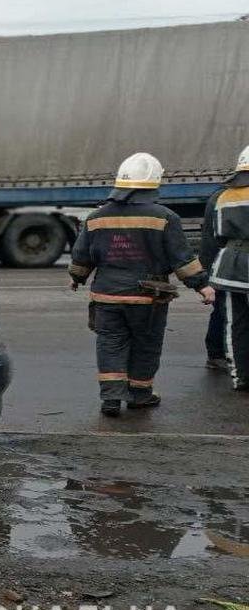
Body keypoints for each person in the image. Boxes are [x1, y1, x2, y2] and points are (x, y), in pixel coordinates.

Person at [68, 152, 215, 417]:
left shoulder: (96, 217)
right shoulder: (165, 217)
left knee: (110, 344)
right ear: (153, 183)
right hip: (147, 298)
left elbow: (81, 257)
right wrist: (202, 286)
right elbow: (182, 258)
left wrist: (77, 278)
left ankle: (111, 398)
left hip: (107, 297)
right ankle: (139, 395)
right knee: (146, 345)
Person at [199, 145, 249, 390]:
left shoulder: (221, 196)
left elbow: (213, 238)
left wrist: (207, 276)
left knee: (235, 323)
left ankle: (240, 377)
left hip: (229, 267)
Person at [199, 186, 229, 372]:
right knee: (224, 309)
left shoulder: (221, 195)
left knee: (224, 309)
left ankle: (217, 354)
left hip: (222, 263)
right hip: (225, 264)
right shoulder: (224, 197)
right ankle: (216, 354)